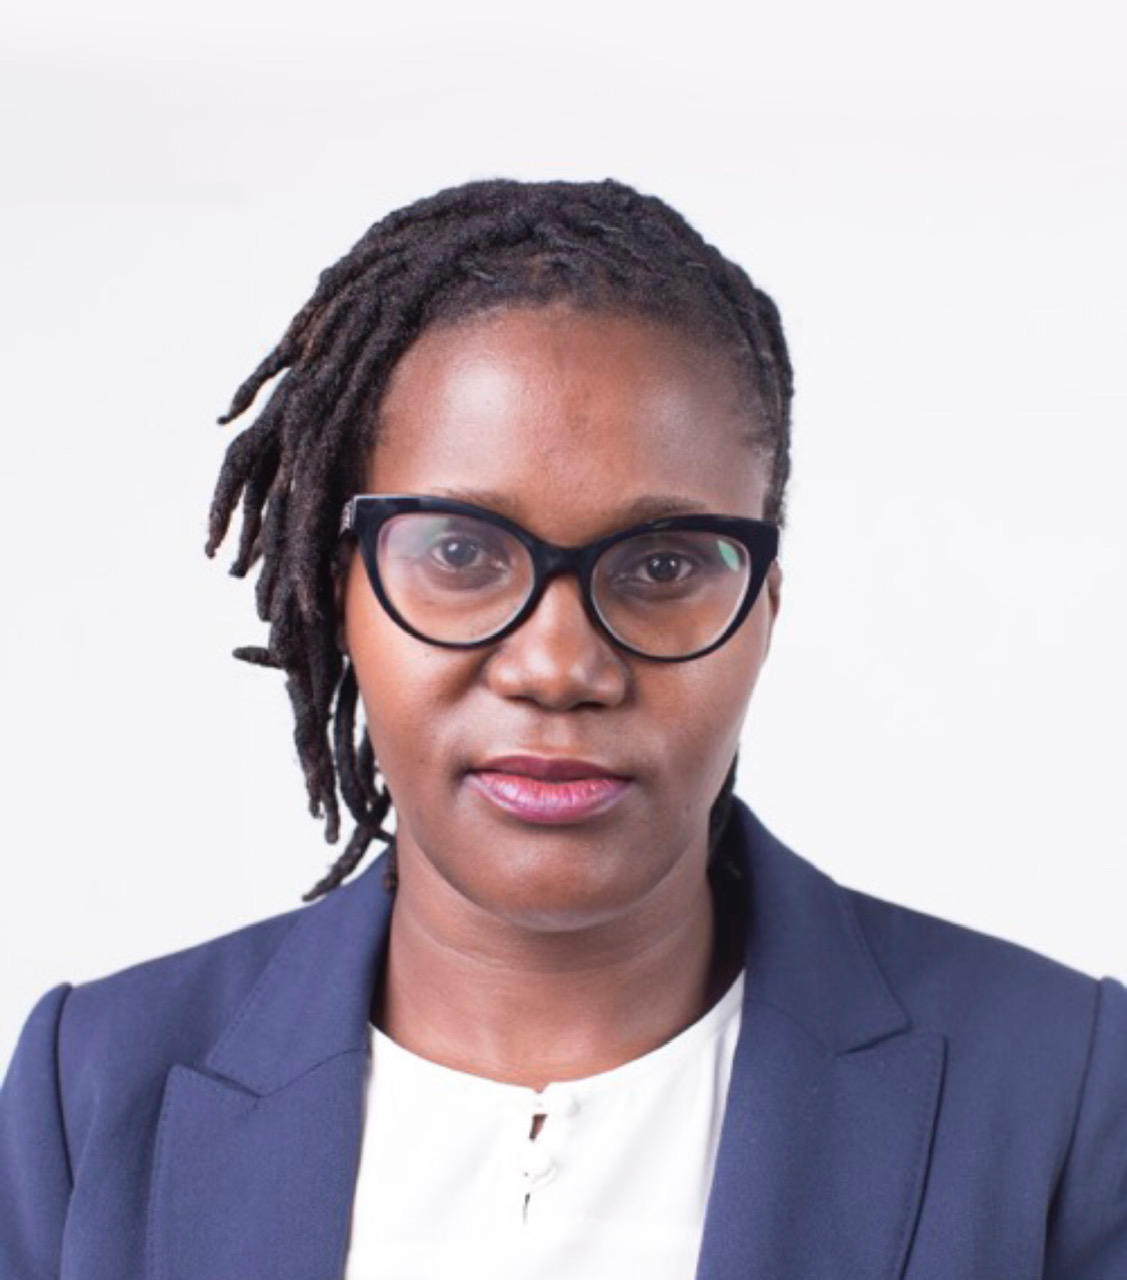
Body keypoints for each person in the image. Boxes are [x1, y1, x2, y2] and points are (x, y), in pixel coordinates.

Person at [1, 177, 1124, 1279]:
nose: (557, 666)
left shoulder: (1058, 1090)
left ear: (762, 613)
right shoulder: (90, 1090)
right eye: (458, 552)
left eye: (662, 566)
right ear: (341, 593)